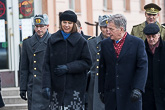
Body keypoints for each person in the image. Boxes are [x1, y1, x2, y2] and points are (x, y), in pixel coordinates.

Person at [42, 10, 92, 110]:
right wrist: (46, 85)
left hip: (75, 89)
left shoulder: (81, 41)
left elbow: (87, 62)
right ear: (61, 23)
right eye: (64, 22)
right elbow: (46, 64)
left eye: (70, 23)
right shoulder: (52, 40)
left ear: (74, 24)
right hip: (56, 88)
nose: (67, 25)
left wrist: (68, 68)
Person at [98, 14, 148, 110]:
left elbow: (142, 67)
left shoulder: (137, 43)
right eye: (107, 28)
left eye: (111, 29)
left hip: (130, 95)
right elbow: (102, 68)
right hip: (111, 96)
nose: (108, 32)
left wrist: (138, 88)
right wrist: (101, 90)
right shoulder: (105, 44)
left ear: (121, 29)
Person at [19, 14, 51, 110]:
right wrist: (23, 88)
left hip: (48, 86)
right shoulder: (27, 43)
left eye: (42, 26)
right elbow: (23, 68)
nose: (39, 29)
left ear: (47, 26)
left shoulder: (53, 41)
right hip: (33, 87)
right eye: (37, 26)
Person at [87, 15, 110, 110]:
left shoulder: (116, 42)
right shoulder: (91, 43)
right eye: (105, 28)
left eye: (110, 28)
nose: (108, 30)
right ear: (100, 28)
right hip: (94, 83)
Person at [143, 23, 165, 110]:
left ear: (159, 35)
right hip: (147, 94)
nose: (151, 39)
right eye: (148, 37)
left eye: (154, 36)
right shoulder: (141, 49)